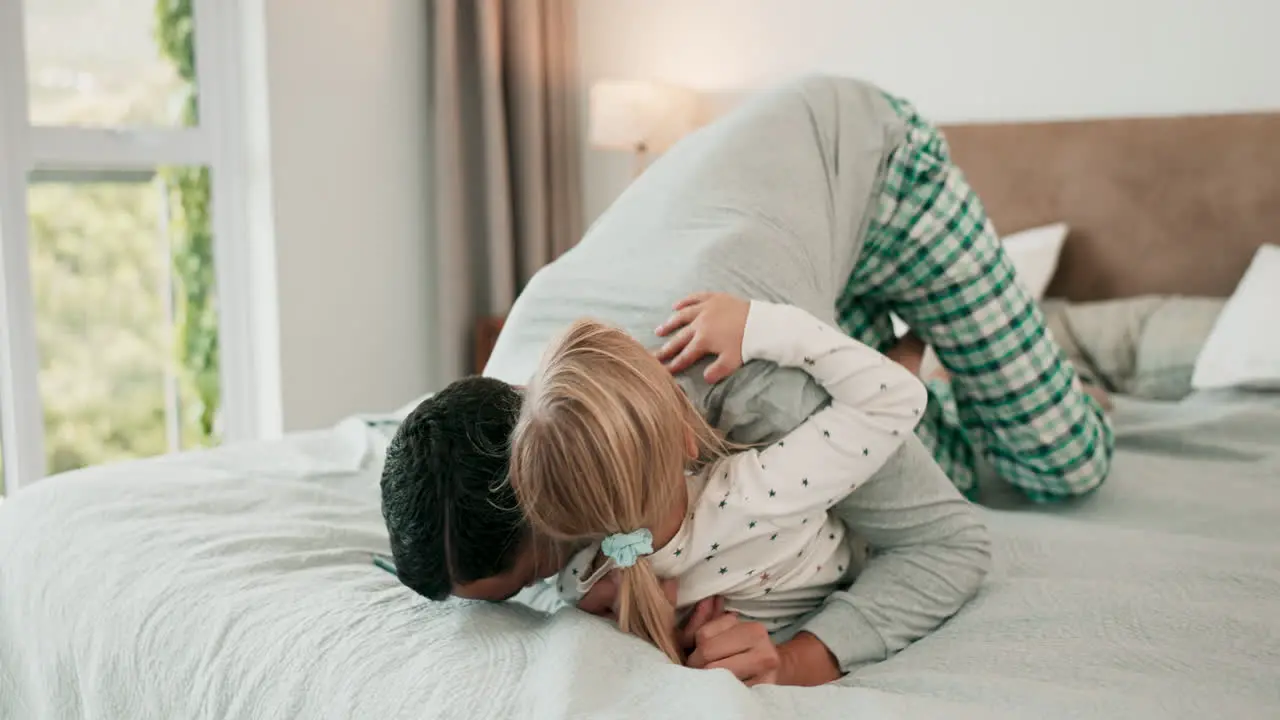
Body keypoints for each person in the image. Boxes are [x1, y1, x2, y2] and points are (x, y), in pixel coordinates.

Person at [507, 292, 930, 668]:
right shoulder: (761, 493)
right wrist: (760, 323)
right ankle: (917, 340)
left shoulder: (584, 584)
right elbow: (898, 398)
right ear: (687, 437)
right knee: (909, 378)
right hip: (867, 539)